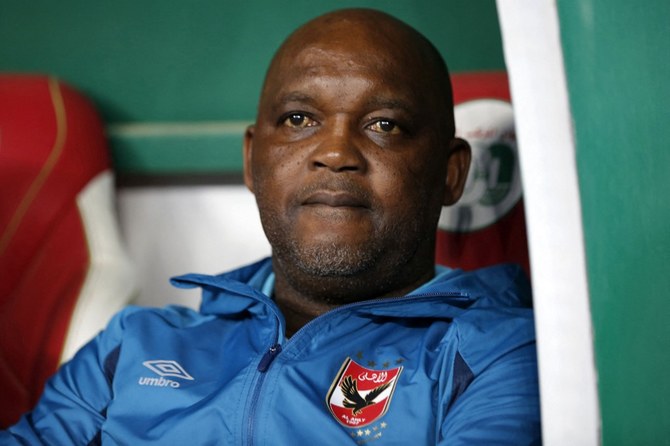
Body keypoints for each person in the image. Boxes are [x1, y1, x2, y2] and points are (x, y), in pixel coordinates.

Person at [2, 8, 540, 445]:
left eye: (384, 124)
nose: (335, 153)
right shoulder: (130, 348)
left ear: (450, 173)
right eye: (299, 119)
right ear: (252, 159)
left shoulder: (498, 357)